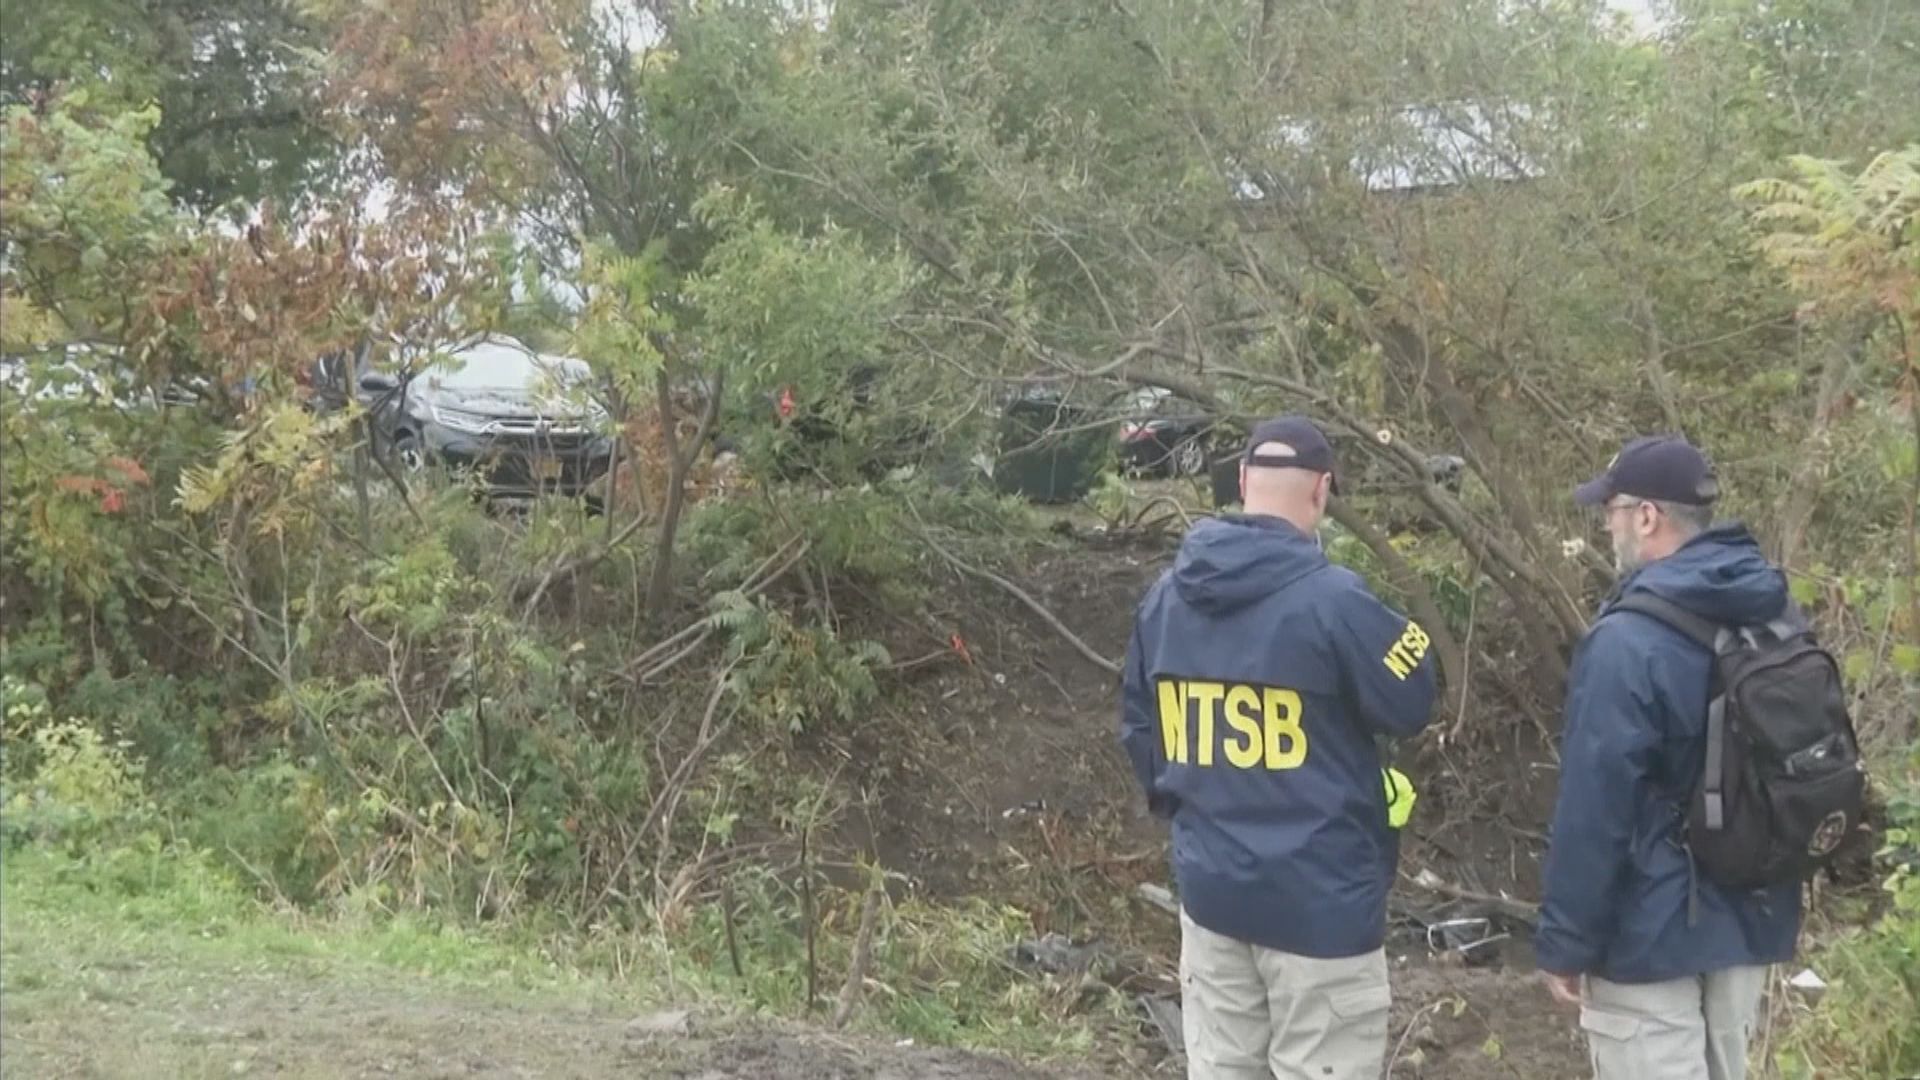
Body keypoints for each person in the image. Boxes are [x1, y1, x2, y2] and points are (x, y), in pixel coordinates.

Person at [1119, 415, 1438, 1080]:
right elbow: (1412, 698)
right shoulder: (1337, 602)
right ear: (1322, 492)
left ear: (1240, 482)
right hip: (1321, 909)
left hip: (1213, 896)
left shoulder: (1166, 599)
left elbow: (1141, 733)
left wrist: (1201, 816)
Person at [1536, 434, 1801, 1080]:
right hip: (1751, 920)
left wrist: (1566, 942)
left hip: (1649, 934)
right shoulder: (1776, 616)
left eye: (1612, 511)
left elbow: (1596, 809)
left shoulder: (1626, 642)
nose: (1607, 526)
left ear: (1647, 515)